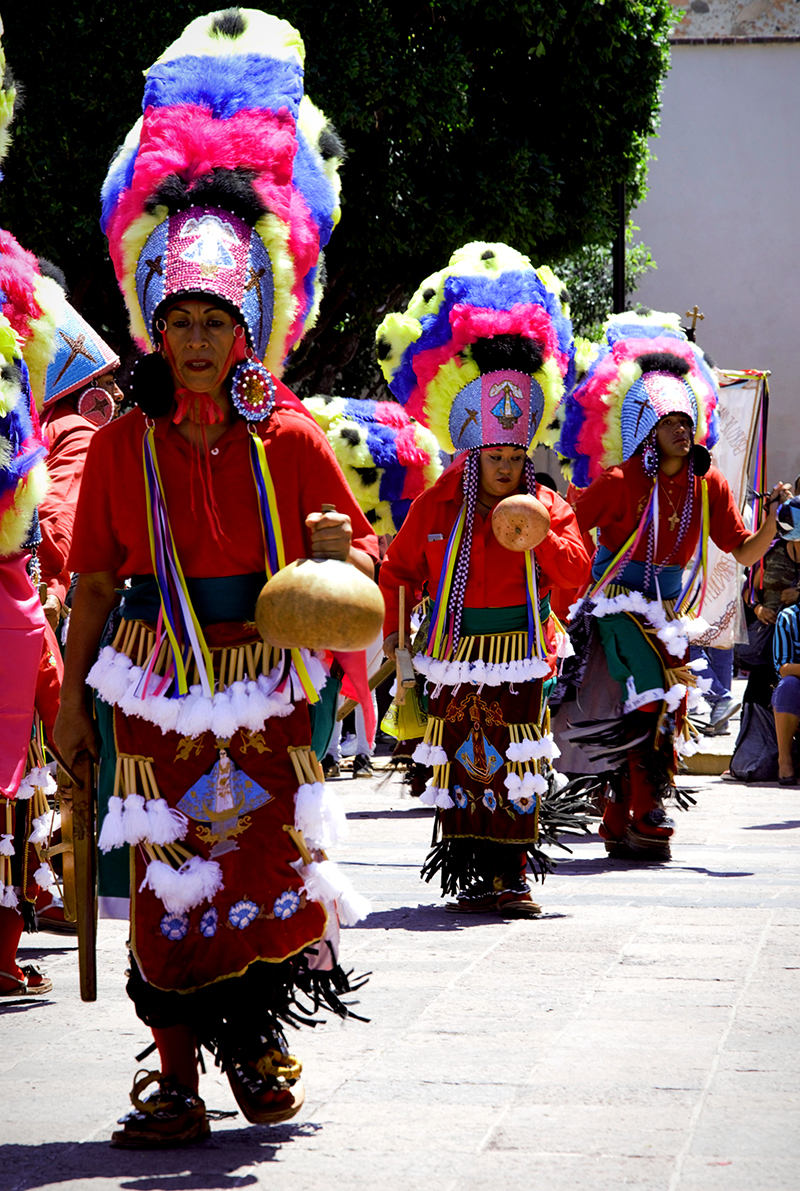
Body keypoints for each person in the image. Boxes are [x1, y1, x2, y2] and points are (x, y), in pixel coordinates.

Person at [53, 9, 377, 1147]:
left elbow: (350, 569)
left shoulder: (287, 438)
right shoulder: (124, 445)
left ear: (250, 330)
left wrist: (337, 559)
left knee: (269, 860)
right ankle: (177, 1070)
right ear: (156, 324)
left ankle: (257, 1042)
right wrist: (66, 705)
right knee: (169, 876)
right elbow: (93, 580)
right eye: (180, 321)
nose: (196, 341)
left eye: (215, 323)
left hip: (267, 683)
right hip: (150, 686)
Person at [376, 242, 592, 916]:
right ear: (476, 448)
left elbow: (577, 574)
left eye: (513, 455)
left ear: (526, 451)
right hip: (454, 653)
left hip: (521, 653)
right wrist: (394, 640)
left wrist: (543, 531)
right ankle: (472, 869)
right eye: (493, 455)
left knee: (516, 766)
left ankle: (513, 873)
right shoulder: (442, 500)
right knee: (465, 765)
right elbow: (399, 568)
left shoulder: (547, 503)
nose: (503, 466)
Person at [555, 312, 790, 860]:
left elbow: (742, 550)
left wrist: (775, 526)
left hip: (668, 613)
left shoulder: (708, 482)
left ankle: (619, 817)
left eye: (687, 420)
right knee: (656, 689)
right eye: (669, 422)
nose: (682, 430)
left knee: (653, 706)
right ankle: (649, 806)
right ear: (644, 426)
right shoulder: (617, 482)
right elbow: (563, 520)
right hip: (613, 606)